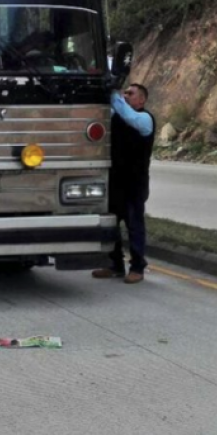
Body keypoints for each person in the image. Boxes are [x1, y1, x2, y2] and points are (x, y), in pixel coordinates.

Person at [93, 83, 155, 284]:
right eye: (124, 93)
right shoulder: (116, 116)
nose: (126, 96)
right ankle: (115, 265)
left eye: (131, 93)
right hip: (115, 181)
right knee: (111, 226)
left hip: (135, 183)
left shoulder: (144, 119)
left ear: (142, 100)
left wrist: (113, 94)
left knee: (134, 225)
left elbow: (130, 117)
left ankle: (137, 267)